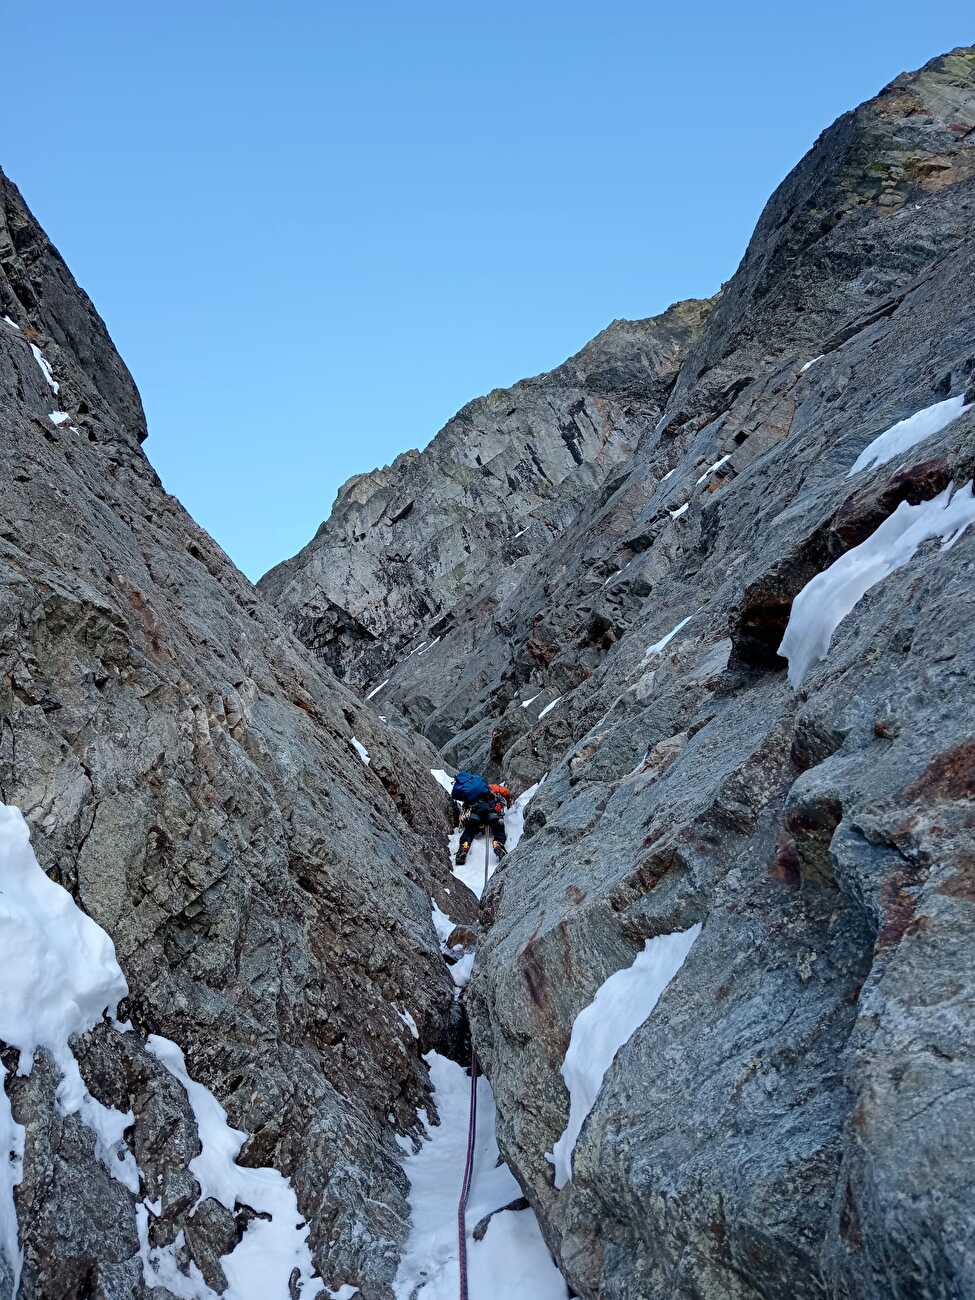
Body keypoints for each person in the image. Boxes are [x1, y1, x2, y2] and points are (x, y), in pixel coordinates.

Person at [450, 772, 511, 866]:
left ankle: (464, 848)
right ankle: (498, 844)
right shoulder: (491, 788)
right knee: (498, 831)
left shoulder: (470, 795)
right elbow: (505, 792)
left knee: (469, 832)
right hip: (492, 813)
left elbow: (465, 809)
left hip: (475, 815)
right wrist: (508, 801)